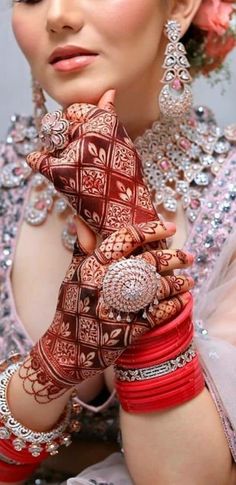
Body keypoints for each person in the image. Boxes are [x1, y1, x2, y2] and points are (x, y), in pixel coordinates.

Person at [0, 0, 236, 484]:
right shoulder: (8, 179)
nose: (58, 15)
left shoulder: (229, 195)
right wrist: (50, 368)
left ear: (180, 6)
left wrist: (123, 223)